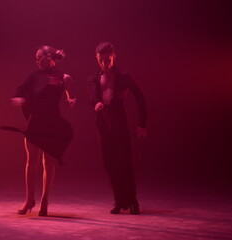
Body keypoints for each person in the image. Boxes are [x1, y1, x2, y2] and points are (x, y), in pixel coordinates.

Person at [11, 45, 76, 216]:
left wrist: (72, 100)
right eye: (36, 58)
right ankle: (29, 200)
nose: (37, 60)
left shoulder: (64, 77)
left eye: (39, 57)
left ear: (49, 57)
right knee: (31, 160)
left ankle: (45, 201)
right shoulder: (34, 76)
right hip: (36, 122)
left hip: (53, 123)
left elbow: (70, 93)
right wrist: (18, 97)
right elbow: (21, 88)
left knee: (49, 162)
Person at [88, 42, 147, 215]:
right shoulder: (93, 77)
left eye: (107, 59)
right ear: (96, 59)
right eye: (100, 60)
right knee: (109, 163)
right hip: (103, 124)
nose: (104, 63)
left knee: (125, 162)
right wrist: (97, 103)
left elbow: (140, 99)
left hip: (119, 122)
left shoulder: (124, 76)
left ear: (114, 57)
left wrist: (142, 124)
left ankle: (132, 201)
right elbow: (92, 95)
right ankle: (119, 200)